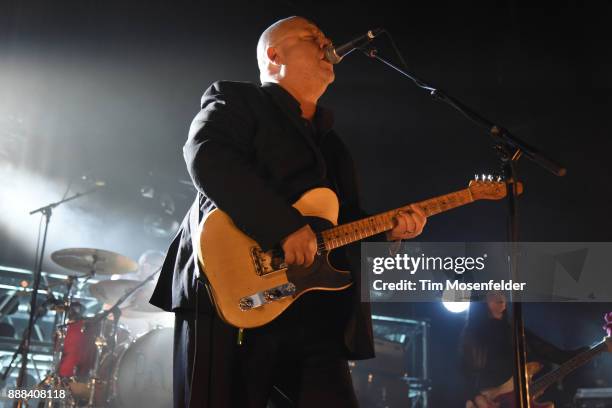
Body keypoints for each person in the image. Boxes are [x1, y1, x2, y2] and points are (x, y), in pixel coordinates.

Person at [150, 16, 427, 408]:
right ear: (274, 55)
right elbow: (207, 156)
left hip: (312, 308)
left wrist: (389, 233)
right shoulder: (236, 99)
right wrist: (283, 227)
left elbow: (342, 222)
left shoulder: (333, 146)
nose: (326, 43)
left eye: (324, 37)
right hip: (230, 291)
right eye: (312, 37)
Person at [460, 292, 588, 407]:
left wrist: (592, 350)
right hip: (490, 401)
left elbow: (557, 356)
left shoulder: (515, 330)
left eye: (502, 292)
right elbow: (463, 373)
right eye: (493, 293)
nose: (500, 296)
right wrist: (477, 397)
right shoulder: (473, 333)